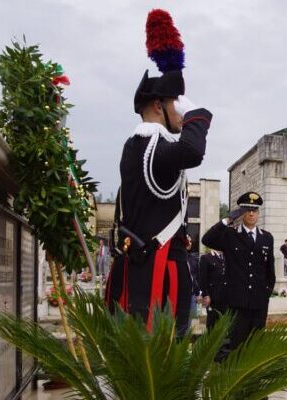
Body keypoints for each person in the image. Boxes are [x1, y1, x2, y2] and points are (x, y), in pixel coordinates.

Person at [106, 9, 212, 335]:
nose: (180, 111)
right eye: (174, 102)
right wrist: (196, 113)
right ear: (157, 106)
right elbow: (193, 151)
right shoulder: (152, 145)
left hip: (144, 269)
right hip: (158, 277)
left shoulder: (136, 146)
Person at [202, 192, 275, 355]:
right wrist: (227, 220)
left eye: (254, 210)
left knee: (255, 346)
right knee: (236, 346)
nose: (251, 213)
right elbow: (206, 239)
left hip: (259, 303)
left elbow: (270, 270)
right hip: (237, 303)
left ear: (258, 213)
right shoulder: (230, 234)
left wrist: (266, 293)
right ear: (242, 212)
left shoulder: (267, 238)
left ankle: (253, 380)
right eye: (247, 209)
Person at [198, 248, 227, 331]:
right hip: (213, 297)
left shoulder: (227, 257)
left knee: (224, 322)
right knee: (212, 322)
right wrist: (205, 294)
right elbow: (203, 279)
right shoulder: (206, 258)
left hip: (225, 297)